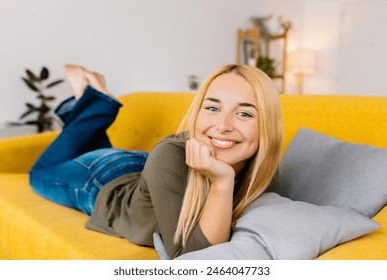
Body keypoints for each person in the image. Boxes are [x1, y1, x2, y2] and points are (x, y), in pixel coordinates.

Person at [29, 64, 283, 259]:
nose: (222, 125)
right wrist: (222, 181)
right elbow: (194, 259)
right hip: (104, 178)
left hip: (150, 169)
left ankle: (90, 100)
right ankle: (96, 105)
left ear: (267, 126)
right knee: (40, 173)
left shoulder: (264, 169)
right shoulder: (170, 155)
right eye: (213, 108)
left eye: (244, 113)